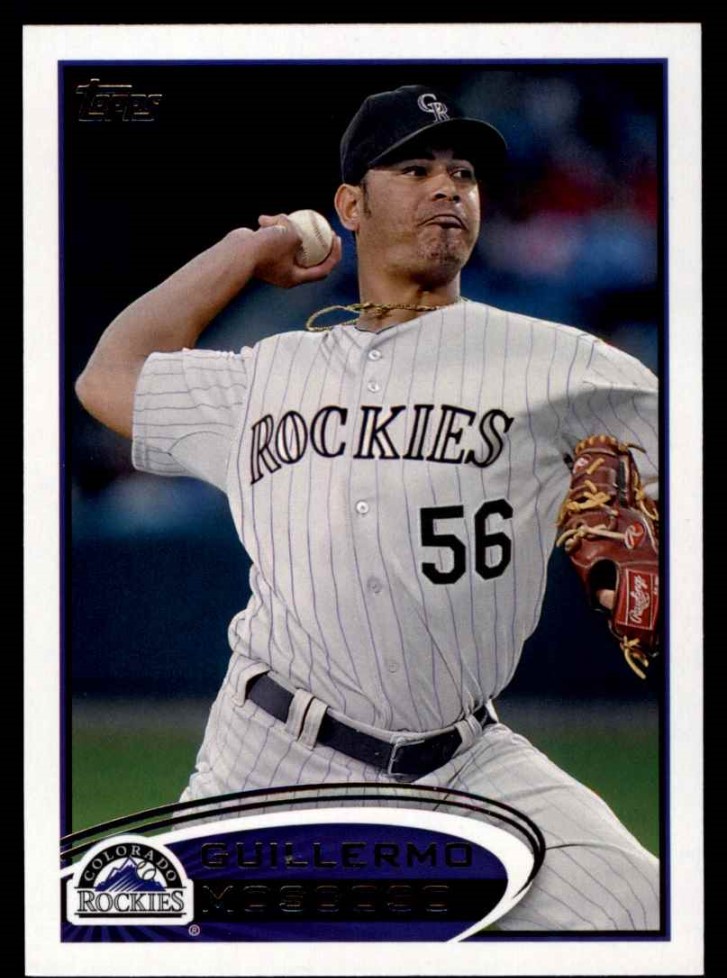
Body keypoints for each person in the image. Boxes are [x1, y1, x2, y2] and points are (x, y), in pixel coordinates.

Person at [75, 84, 659, 931]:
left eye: (463, 173)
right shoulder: (266, 373)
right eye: (415, 169)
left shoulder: (562, 366)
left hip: (465, 763)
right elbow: (107, 377)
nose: (447, 186)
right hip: (271, 758)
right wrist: (245, 250)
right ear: (349, 207)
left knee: (643, 910)